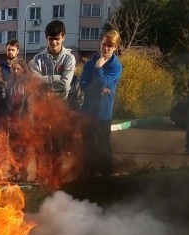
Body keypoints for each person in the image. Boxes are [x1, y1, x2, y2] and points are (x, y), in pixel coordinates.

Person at [80, 30, 123, 178]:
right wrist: (97, 88)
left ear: (116, 47)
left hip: (103, 112)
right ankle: (88, 172)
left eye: (110, 46)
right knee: (88, 143)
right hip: (88, 110)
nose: (106, 48)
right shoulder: (90, 63)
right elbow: (83, 85)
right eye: (104, 44)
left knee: (103, 143)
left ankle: (106, 173)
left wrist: (99, 67)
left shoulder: (115, 66)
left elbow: (105, 81)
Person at [29, 20, 76, 98]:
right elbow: (35, 82)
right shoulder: (37, 59)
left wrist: (44, 83)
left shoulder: (69, 58)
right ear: (46, 38)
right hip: (41, 103)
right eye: (51, 39)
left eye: (57, 39)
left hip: (61, 104)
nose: (54, 42)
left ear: (63, 37)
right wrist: (57, 78)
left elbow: (65, 84)